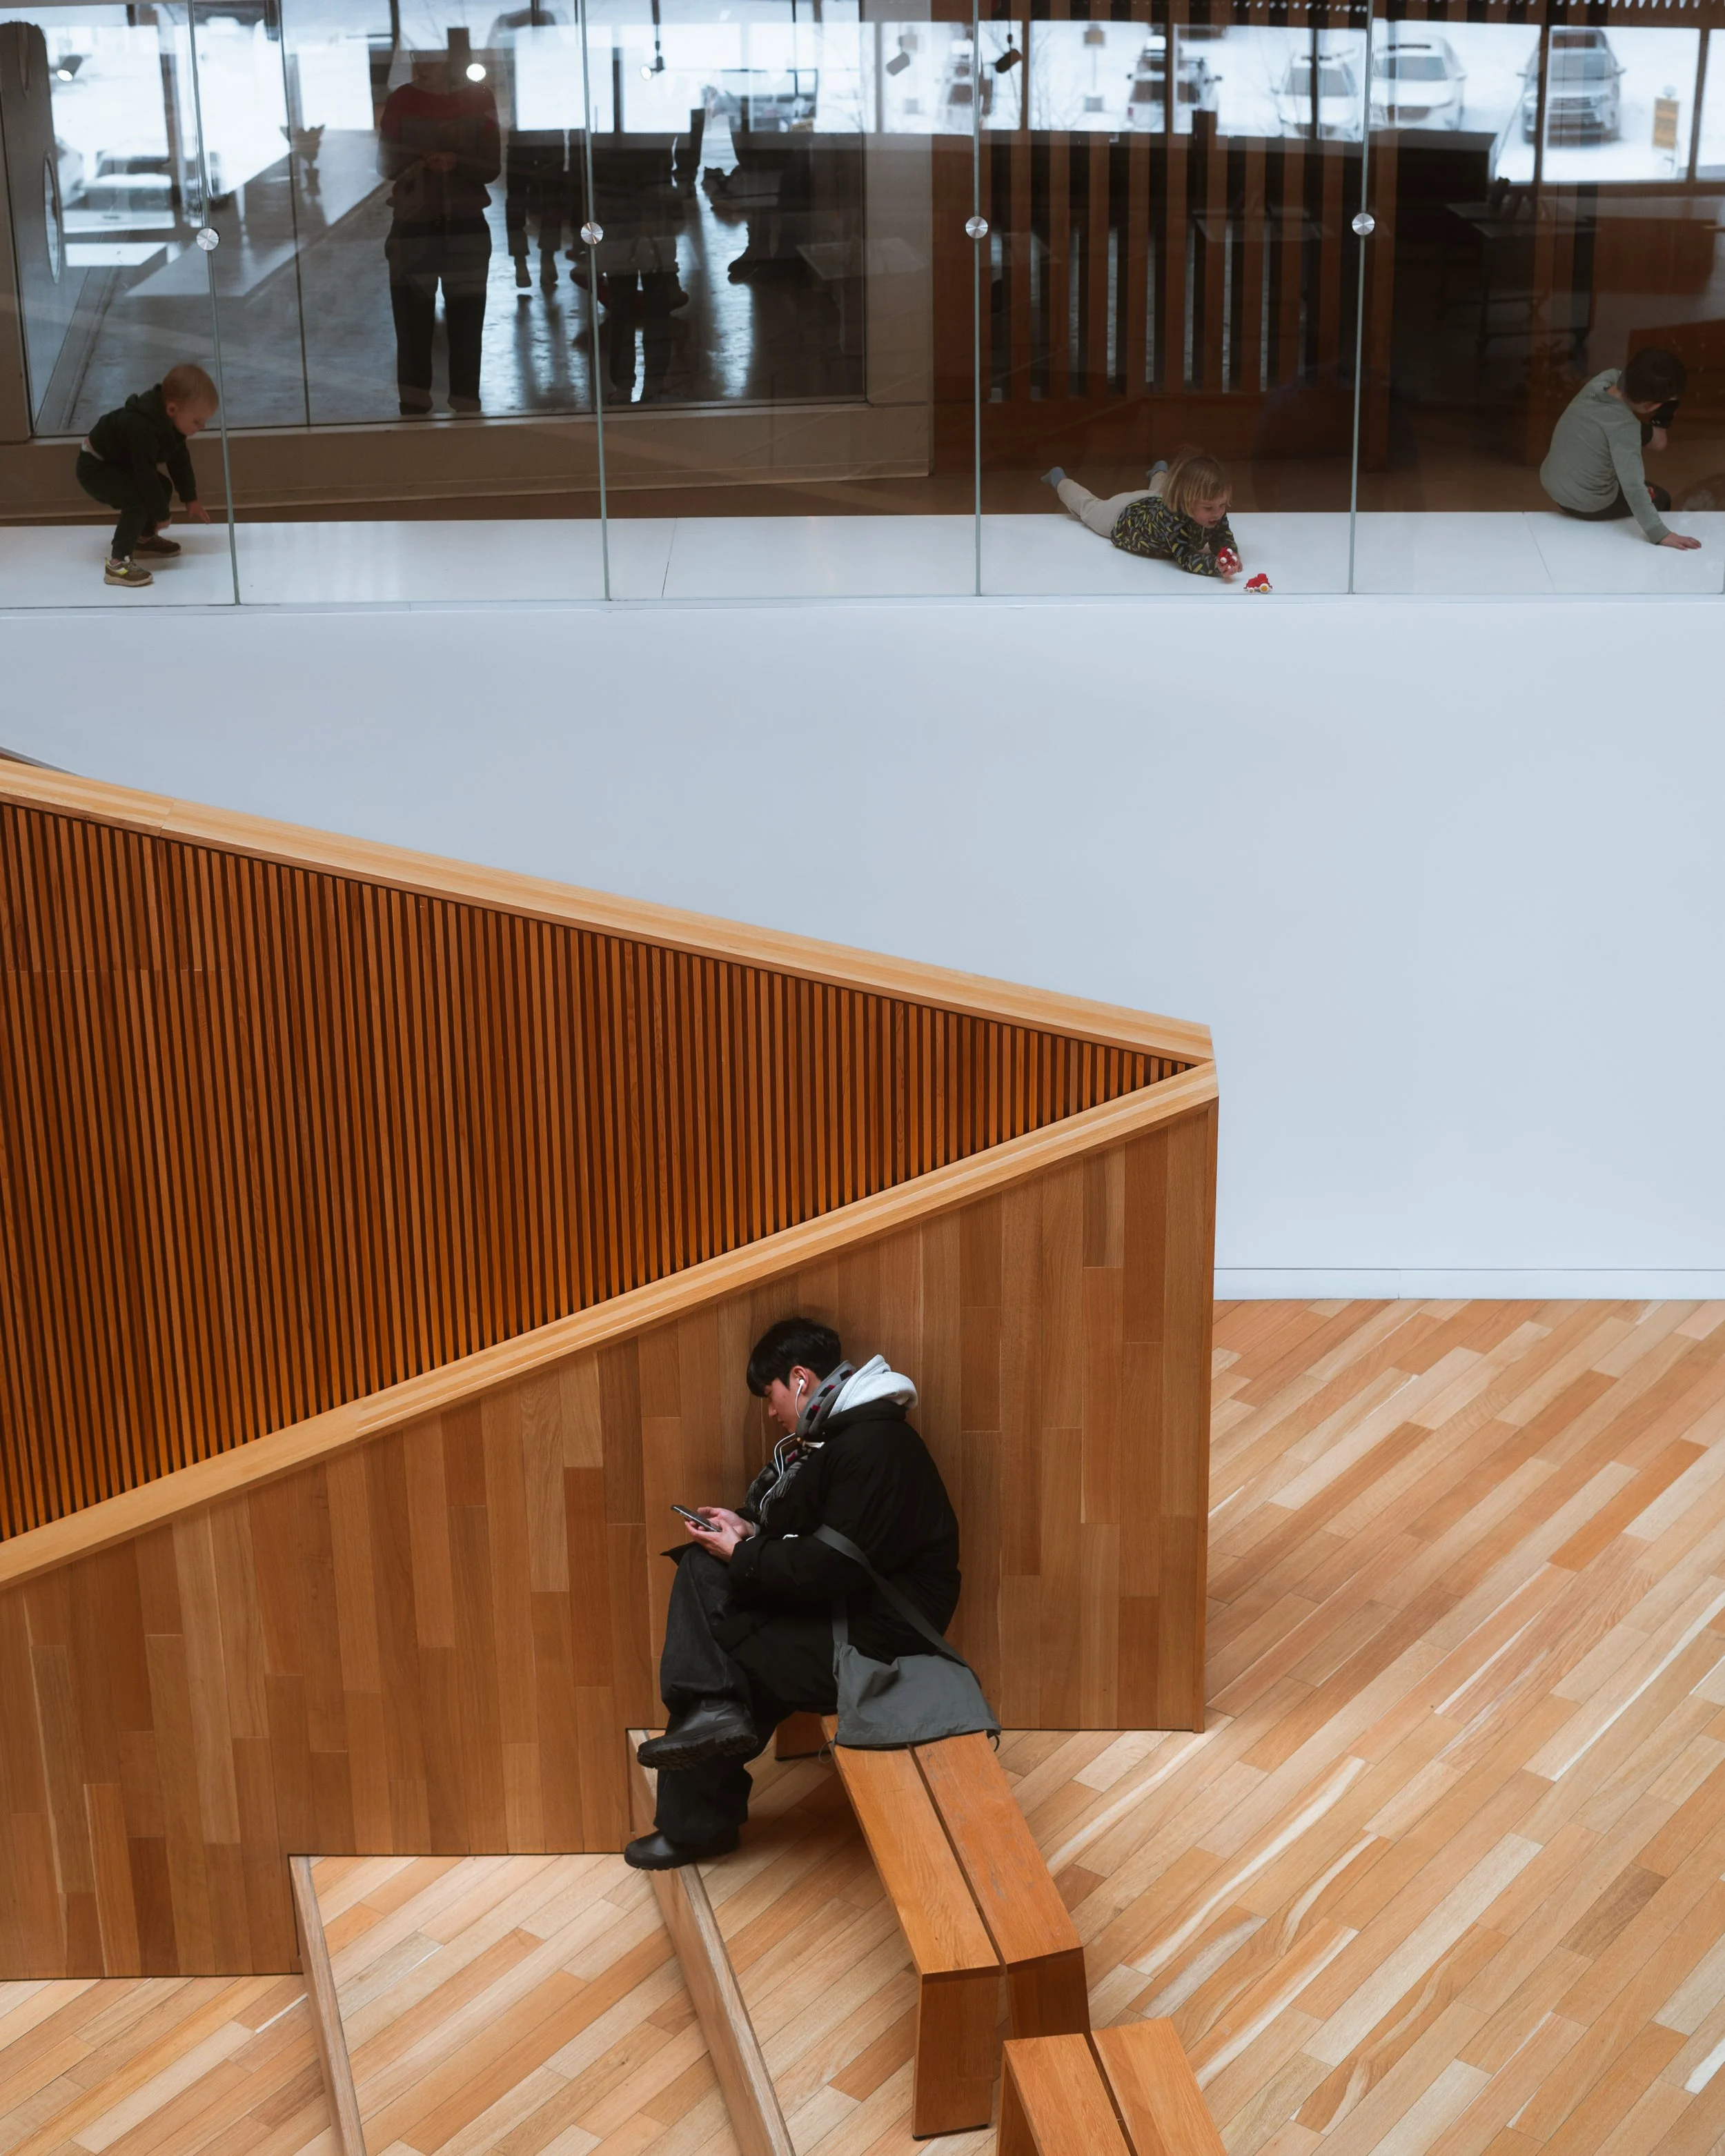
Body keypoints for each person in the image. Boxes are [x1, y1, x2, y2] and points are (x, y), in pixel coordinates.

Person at [626, 1317, 960, 1870]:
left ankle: (697, 1820)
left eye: (771, 1393)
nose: (771, 1410)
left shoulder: (873, 1445)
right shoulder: (848, 1437)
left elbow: (834, 1565)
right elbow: (814, 1535)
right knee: (701, 1576)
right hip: (846, 1609)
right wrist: (748, 1533)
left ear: (800, 1378)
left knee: (728, 1659)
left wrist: (743, 1554)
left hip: (879, 1633)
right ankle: (710, 1720)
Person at [379, 39, 501, 417]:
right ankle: (417, 409)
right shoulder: (403, 99)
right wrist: (429, 161)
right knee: (414, 330)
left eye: (430, 54)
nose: (421, 62)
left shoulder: (478, 98)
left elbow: (491, 167)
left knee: (465, 328)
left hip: (455, 227)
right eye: (417, 55)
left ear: (450, 58)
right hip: (420, 227)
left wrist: (453, 161)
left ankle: (464, 405)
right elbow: (386, 164)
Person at [75, 362, 217, 591]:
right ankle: (117, 563)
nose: (202, 427)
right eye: (197, 421)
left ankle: (144, 537)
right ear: (172, 409)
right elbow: (145, 474)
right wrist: (162, 514)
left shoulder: (170, 423)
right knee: (138, 498)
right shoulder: (144, 427)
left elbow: (179, 460)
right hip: (95, 466)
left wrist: (190, 497)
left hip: (118, 463)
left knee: (163, 488)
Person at [1540, 349, 1701, 551]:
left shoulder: (1602, 380)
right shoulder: (1626, 429)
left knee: (1613, 451)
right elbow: (1633, 487)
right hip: (1586, 504)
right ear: (1651, 405)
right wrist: (1660, 534)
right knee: (1660, 497)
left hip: (1552, 481)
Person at [1042, 448, 1243, 580]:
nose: (1218, 513)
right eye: (1209, 508)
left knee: (1159, 493)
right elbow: (1187, 558)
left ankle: (1159, 470)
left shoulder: (1214, 510)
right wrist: (1216, 565)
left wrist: (1231, 554)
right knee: (1089, 508)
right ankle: (1060, 480)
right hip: (1123, 517)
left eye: (1223, 505)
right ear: (1186, 503)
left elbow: (1223, 538)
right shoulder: (1172, 518)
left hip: (1153, 502)